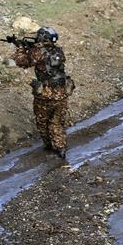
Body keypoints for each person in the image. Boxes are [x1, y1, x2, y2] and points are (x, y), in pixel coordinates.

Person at [12, 27, 74, 159]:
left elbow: (22, 62)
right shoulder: (59, 51)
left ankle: (50, 145)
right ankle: (60, 147)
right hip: (62, 93)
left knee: (42, 120)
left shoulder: (38, 52)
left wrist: (20, 48)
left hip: (45, 95)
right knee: (57, 121)